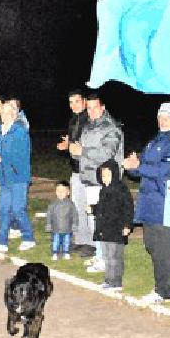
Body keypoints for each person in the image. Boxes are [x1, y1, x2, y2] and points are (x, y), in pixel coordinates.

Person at [123, 102, 170, 304]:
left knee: (163, 246)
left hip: (166, 200)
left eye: (167, 116)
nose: (162, 119)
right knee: (151, 244)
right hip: (150, 199)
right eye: (160, 115)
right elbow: (144, 166)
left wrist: (140, 166)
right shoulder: (156, 138)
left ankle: (164, 291)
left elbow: (165, 171)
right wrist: (132, 167)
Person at [70, 92, 125, 267]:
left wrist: (83, 152)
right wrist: (74, 151)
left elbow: (106, 154)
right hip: (89, 179)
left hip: (104, 181)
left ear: (103, 108)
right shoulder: (88, 127)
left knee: (104, 222)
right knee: (95, 220)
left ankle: (106, 260)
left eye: (95, 107)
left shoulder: (111, 128)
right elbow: (81, 153)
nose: (92, 111)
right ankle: (100, 255)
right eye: (89, 108)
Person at [0, 96, 37, 253]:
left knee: (18, 209)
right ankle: (1, 242)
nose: (5, 115)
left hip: (18, 177)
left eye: (8, 112)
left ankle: (28, 238)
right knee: (3, 209)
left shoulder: (20, 131)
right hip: (4, 176)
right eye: (3, 113)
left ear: (14, 114)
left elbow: (19, 154)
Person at [58, 89, 92, 255]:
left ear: (84, 101)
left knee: (90, 207)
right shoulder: (73, 120)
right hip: (76, 169)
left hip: (89, 170)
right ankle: (80, 240)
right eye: (71, 102)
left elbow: (91, 145)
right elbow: (74, 144)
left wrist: (79, 148)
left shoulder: (90, 119)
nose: (73, 105)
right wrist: (67, 146)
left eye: (77, 101)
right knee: (77, 206)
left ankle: (92, 243)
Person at [90, 159, 133, 291]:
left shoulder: (121, 189)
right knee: (107, 256)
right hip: (105, 229)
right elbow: (102, 208)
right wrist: (93, 209)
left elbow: (128, 208)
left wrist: (127, 225)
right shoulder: (103, 190)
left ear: (114, 174)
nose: (105, 178)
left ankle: (116, 282)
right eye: (103, 175)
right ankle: (108, 279)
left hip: (116, 229)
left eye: (108, 175)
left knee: (115, 257)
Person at [46, 181, 77, 261]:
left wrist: (74, 224)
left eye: (63, 191)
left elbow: (74, 215)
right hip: (56, 228)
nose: (60, 193)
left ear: (68, 192)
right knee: (55, 241)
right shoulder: (52, 204)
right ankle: (55, 253)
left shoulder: (71, 204)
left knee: (66, 241)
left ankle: (66, 252)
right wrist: (48, 224)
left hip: (67, 228)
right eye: (58, 191)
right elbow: (49, 215)